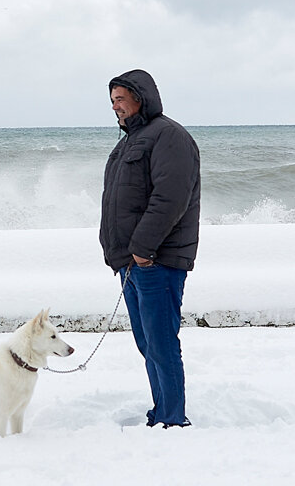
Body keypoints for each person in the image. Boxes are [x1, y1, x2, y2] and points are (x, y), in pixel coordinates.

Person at [100, 69, 201, 429]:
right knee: (147, 343)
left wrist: (143, 249)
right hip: (132, 261)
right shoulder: (131, 140)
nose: (115, 107)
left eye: (121, 99)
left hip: (155, 260)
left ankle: (174, 418)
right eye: (112, 101)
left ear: (141, 97)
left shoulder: (168, 136)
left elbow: (170, 199)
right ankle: (160, 412)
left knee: (161, 342)